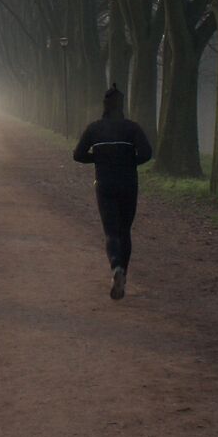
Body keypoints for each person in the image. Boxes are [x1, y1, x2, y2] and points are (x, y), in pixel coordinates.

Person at [73, 84, 153, 299]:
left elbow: (78, 155)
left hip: (105, 183)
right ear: (121, 105)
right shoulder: (132, 128)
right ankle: (123, 275)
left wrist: (98, 158)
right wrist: (129, 162)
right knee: (125, 230)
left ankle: (115, 266)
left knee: (111, 231)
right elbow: (147, 153)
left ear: (104, 106)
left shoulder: (94, 128)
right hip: (128, 183)